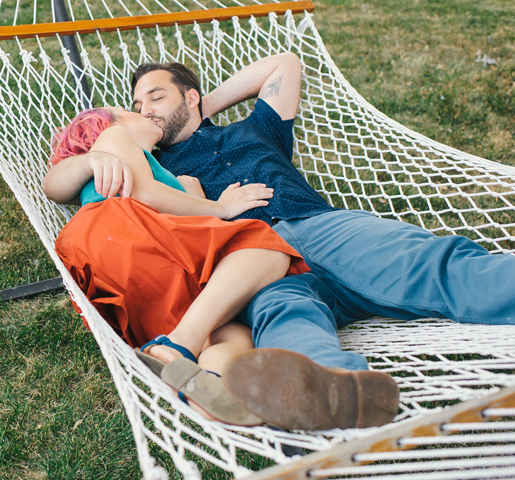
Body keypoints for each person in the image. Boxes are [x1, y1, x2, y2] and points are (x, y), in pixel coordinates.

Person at [43, 52, 515, 431]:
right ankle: (336, 391)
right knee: (286, 322)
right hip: (249, 264)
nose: (144, 108)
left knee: (432, 263)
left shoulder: (256, 130)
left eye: (156, 96)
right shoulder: (155, 166)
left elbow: (285, 64)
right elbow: (71, 177)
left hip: (311, 226)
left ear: (190, 96)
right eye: (136, 103)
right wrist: (96, 160)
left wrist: (202, 106)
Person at [50, 106, 312, 425]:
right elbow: (143, 193)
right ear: (109, 123)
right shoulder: (113, 137)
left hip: (128, 271)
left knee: (227, 332)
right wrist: (220, 207)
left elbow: (180, 213)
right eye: (131, 111)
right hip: (120, 230)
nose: (146, 113)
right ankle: (177, 346)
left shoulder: (168, 176)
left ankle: (216, 387)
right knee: (266, 248)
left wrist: (194, 194)